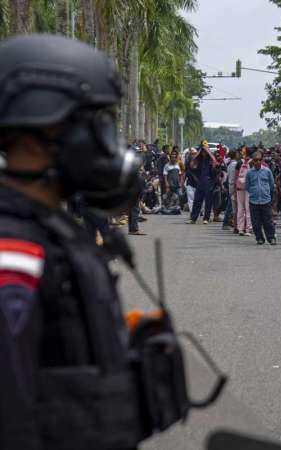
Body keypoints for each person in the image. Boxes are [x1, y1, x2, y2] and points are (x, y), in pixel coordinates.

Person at [0, 34, 179, 450]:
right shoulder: (13, 252)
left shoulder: (51, 229)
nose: (107, 143)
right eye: (96, 123)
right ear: (41, 130)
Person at [246, 151, 277, 245]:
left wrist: (269, 196)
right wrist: (253, 192)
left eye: (260, 160)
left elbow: (271, 185)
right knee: (256, 222)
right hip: (254, 200)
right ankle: (259, 238)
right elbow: (247, 186)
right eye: (255, 160)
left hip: (265, 200)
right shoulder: (249, 173)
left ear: (262, 160)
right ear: (253, 161)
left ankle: (271, 238)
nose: (258, 162)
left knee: (268, 221)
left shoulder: (267, 171)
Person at [186, 140, 218, 224]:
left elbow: (216, 166)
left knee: (208, 201)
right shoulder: (198, 160)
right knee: (197, 200)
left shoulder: (211, 160)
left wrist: (208, 150)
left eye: (205, 151)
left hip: (208, 182)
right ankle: (193, 218)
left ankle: (206, 218)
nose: (204, 152)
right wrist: (198, 152)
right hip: (200, 182)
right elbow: (192, 166)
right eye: (202, 150)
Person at [235, 149, 253, 236]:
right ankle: (248, 229)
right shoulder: (253, 162)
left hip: (239, 188)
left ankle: (240, 229)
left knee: (240, 208)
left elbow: (236, 176)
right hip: (249, 188)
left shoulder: (239, 163)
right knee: (248, 208)